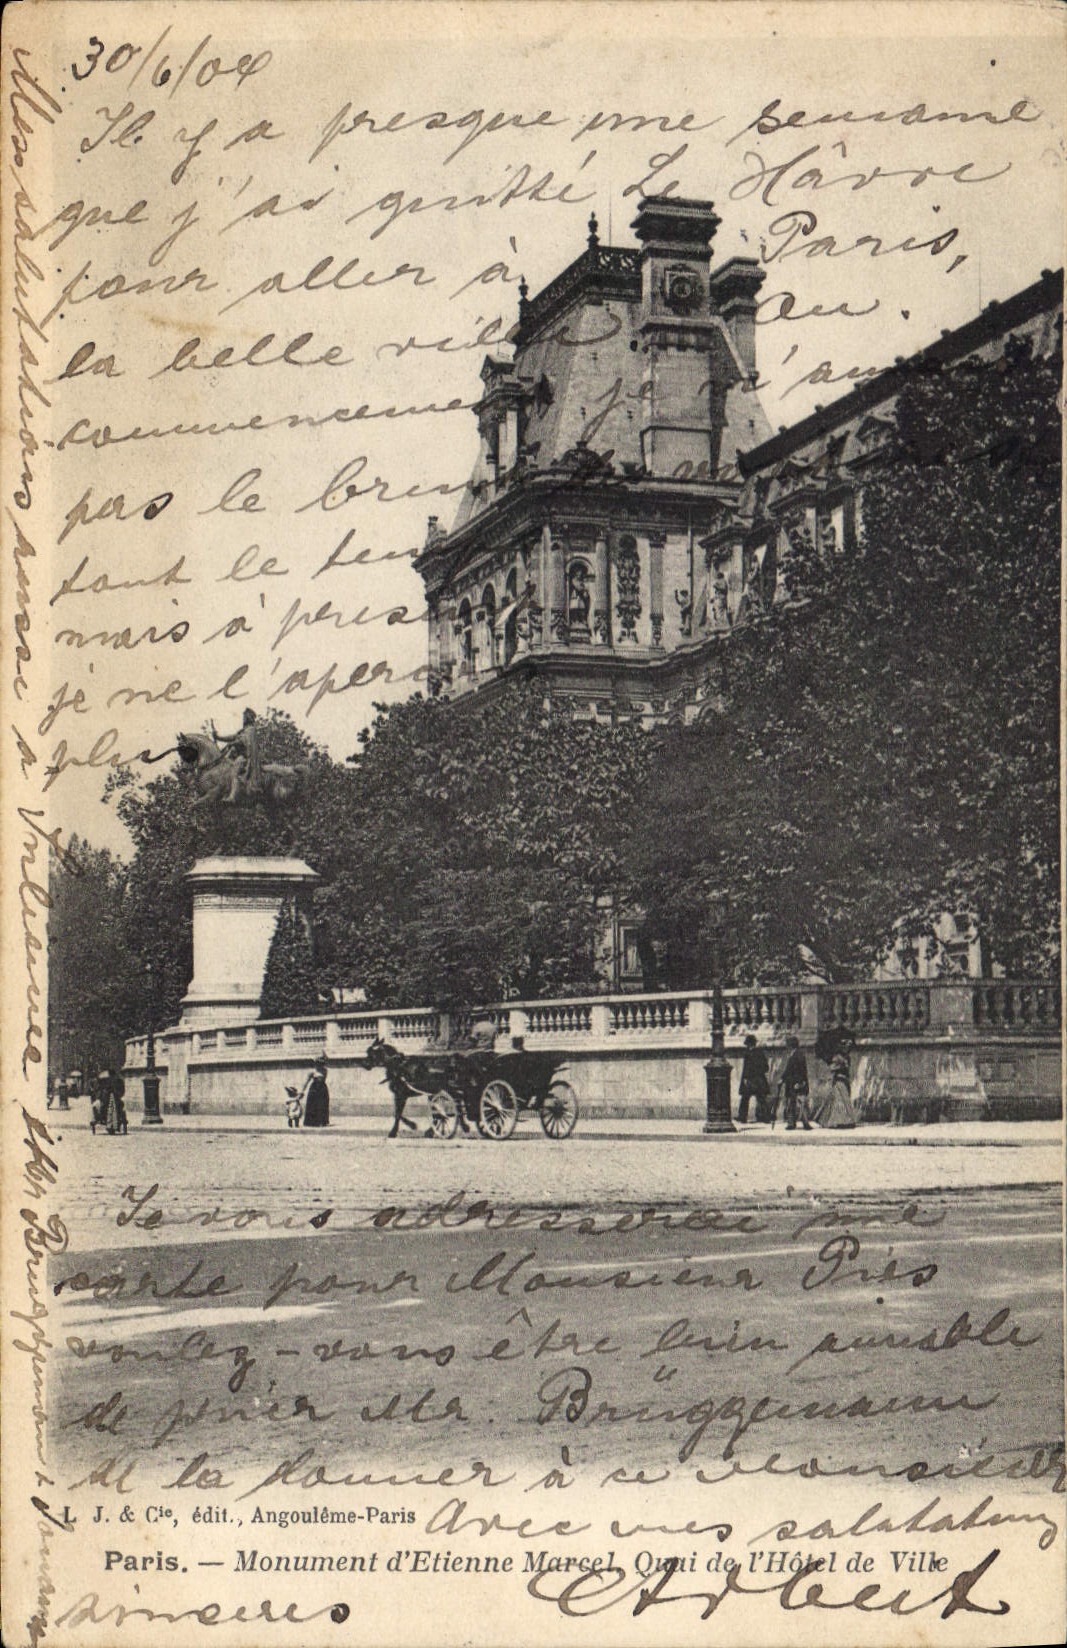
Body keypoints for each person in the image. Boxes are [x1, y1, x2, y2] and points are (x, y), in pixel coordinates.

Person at [213, 708, 262, 802]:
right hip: (239, 755)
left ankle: (232, 796)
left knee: (234, 770)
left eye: (245, 716)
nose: (243, 718)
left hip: (246, 757)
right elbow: (232, 737)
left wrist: (233, 743)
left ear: (249, 718)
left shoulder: (251, 730)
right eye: (243, 716)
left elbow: (243, 741)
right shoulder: (243, 730)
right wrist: (218, 737)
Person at [815, 1048, 858, 1129]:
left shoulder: (846, 1057)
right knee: (840, 1102)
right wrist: (840, 1067)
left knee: (842, 1102)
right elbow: (832, 1068)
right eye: (844, 1044)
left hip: (844, 1081)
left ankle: (844, 1121)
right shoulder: (838, 1057)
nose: (847, 1046)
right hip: (839, 1081)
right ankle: (842, 1121)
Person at [778, 1036, 811, 1131]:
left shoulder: (798, 1056)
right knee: (792, 1103)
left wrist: (800, 1082)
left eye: (788, 1045)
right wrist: (782, 1079)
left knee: (800, 1104)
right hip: (791, 1083)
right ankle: (792, 1123)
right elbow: (788, 1070)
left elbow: (802, 1071)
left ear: (791, 1046)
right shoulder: (793, 1055)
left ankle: (804, 1123)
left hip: (796, 1084)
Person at [738, 1034, 770, 1123]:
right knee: (759, 1099)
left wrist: (745, 1078)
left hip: (751, 1080)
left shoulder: (749, 1054)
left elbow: (747, 1068)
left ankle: (743, 1117)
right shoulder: (758, 1053)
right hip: (758, 1080)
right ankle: (765, 1117)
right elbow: (766, 1067)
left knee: (749, 1098)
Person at [301, 1057, 330, 1127]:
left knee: (322, 1104)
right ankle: (311, 1122)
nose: (319, 1065)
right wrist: (302, 1091)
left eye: (321, 1063)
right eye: (317, 1063)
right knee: (313, 1104)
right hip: (314, 1089)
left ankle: (322, 1121)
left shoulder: (325, 1070)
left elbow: (324, 1079)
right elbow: (306, 1082)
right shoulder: (312, 1071)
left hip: (322, 1088)